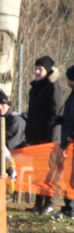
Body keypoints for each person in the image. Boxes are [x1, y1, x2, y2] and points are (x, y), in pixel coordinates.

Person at [26, 56, 64, 215]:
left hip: (48, 139)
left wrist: (53, 141)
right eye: (35, 68)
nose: (36, 71)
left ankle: (49, 203)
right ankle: (39, 203)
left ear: (48, 70)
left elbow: (56, 113)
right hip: (35, 138)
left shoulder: (53, 87)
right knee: (38, 172)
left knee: (49, 172)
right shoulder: (35, 87)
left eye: (40, 69)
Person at [53, 65, 74, 219]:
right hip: (68, 140)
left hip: (70, 142)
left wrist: (67, 142)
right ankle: (69, 207)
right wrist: (60, 119)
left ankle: (71, 208)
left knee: (70, 177)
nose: (66, 80)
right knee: (68, 176)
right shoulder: (72, 96)